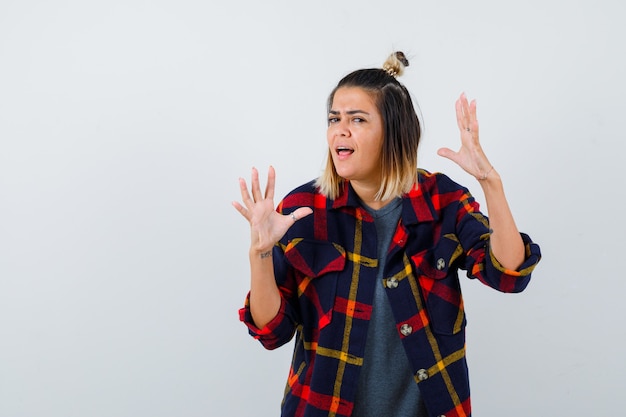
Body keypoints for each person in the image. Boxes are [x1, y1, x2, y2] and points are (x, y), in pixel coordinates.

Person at [232, 51, 541, 417]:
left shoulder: (443, 200)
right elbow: (271, 331)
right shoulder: (303, 208)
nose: (340, 131)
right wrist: (261, 253)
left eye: (357, 119)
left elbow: (508, 275)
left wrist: (491, 182)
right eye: (334, 119)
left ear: (393, 131)